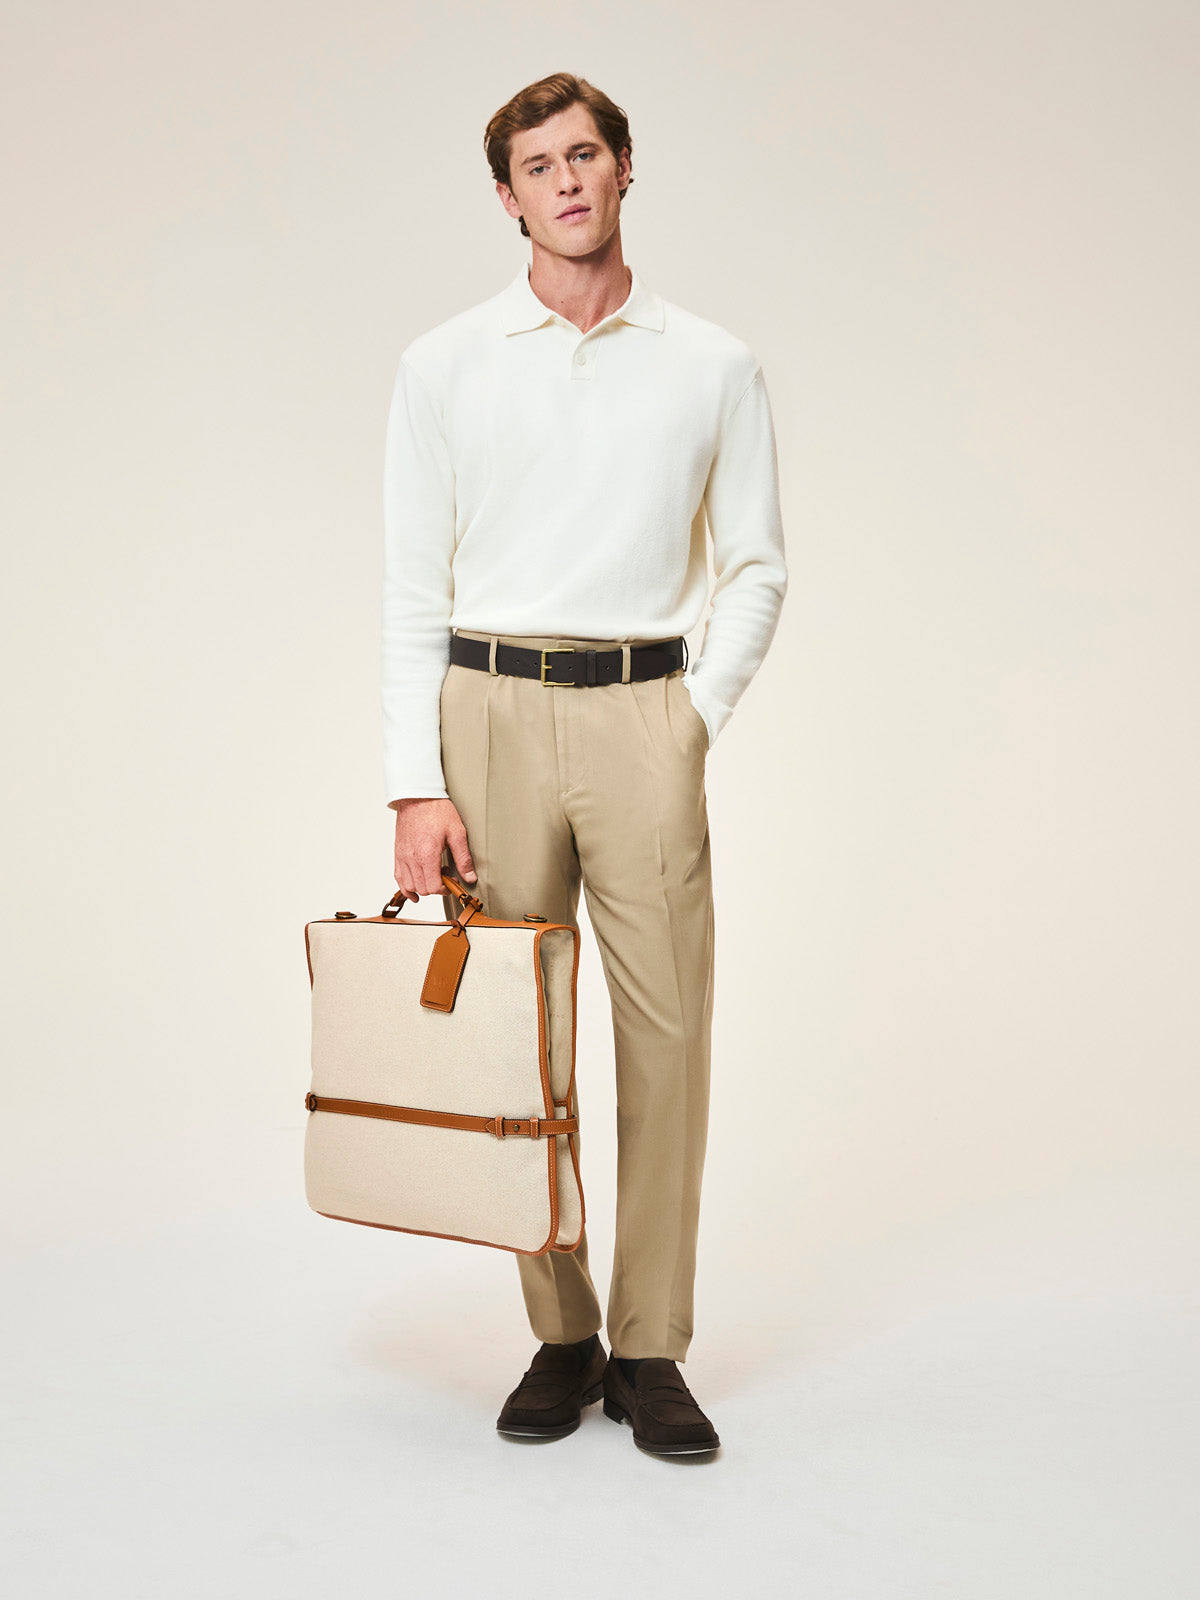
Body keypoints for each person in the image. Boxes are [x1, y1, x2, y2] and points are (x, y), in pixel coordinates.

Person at [381, 71, 787, 1457]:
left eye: (585, 155)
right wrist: (414, 779)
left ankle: (652, 1342)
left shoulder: (712, 363)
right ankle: (564, 1333)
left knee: (666, 1033)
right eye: (538, 166)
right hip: (486, 708)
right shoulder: (444, 363)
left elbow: (757, 566)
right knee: (517, 1040)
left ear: (624, 169)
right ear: (507, 197)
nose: (566, 181)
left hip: (641, 710)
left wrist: (691, 717)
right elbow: (409, 588)